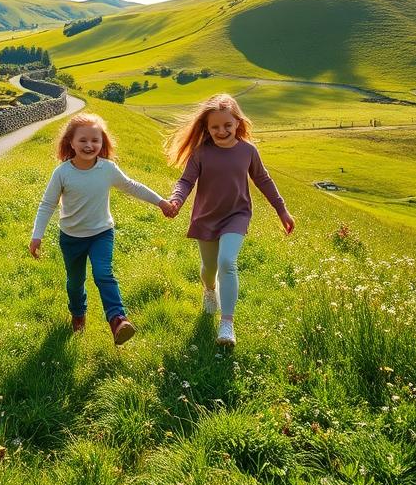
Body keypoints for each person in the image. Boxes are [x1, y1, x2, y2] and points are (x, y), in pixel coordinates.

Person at [30, 112, 173, 345]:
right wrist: (37, 236)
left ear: (102, 142)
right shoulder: (63, 173)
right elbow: (47, 204)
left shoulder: (107, 169)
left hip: (101, 234)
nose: (89, 145)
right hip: (71, 238)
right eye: (83, 140)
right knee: (75, 282)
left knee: (103, 273)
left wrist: (161, 202)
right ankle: (78, 314)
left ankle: (118, 320)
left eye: (95, 140)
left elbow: (132, 187)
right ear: (70, 142)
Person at [165, 94, 294, 347]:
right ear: (206, 128)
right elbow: (186, 181)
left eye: (227, 125)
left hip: (237, 214)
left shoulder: (248, 151)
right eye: (215, 127)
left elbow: (264, 180)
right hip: (206, 217)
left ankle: (227, 324)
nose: (222, 131)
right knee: (209, 269)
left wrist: (282, 210)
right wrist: (176, 200)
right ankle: (210, 290)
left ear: (237, 123)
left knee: (227, 262)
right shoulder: (202, 153)